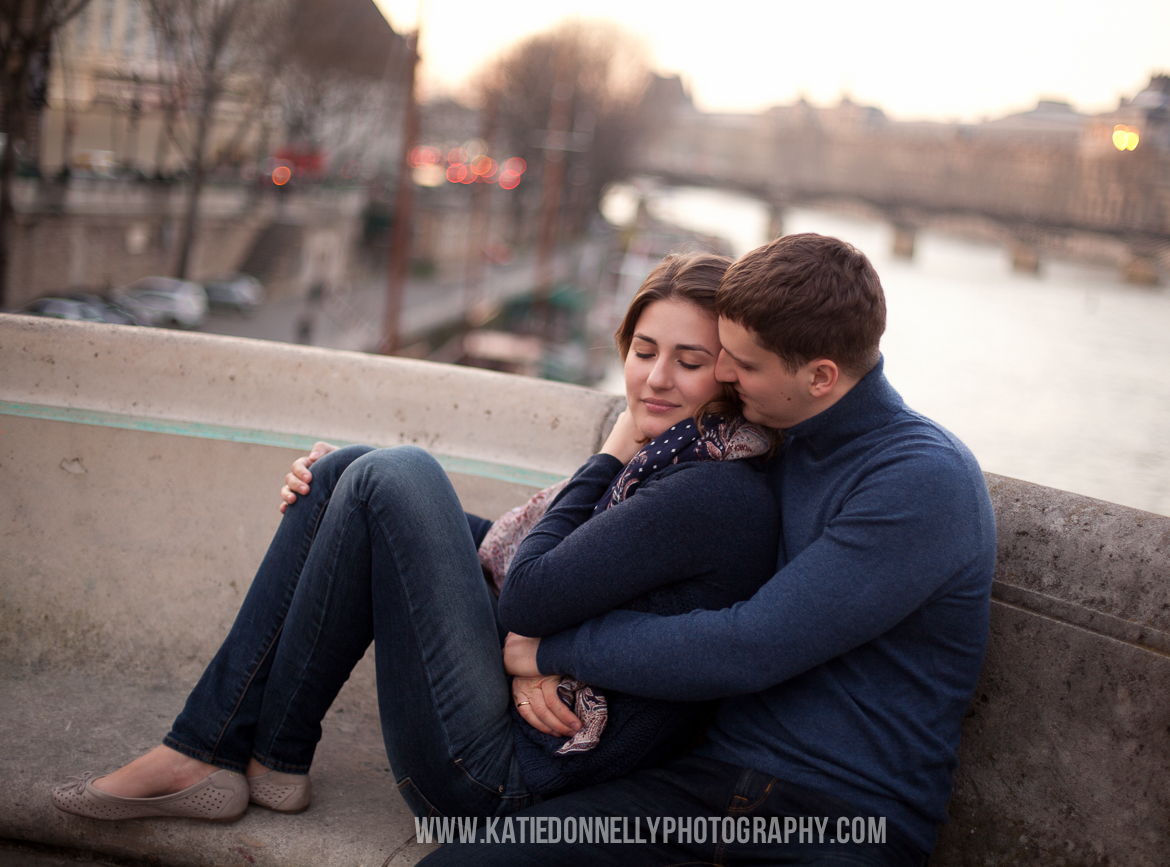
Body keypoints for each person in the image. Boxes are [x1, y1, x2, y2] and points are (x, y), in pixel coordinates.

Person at [51, 252, 780, 822]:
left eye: (687, 362)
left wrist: (609, 448)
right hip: (514, 735)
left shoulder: (707, 489)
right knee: (346, 472)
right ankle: (267, 762)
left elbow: (528, 588)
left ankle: (201, 751)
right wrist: (347, 496)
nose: (654, 379)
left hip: (500, 779)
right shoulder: (685, 461)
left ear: (731, 374)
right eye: (643, 349)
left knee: (397, 473)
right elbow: (552, 573)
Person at [423, 233, 997, 867]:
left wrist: (551, 648)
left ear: (821, 377)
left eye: (744, 364)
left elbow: (747, 646)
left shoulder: (920, 481)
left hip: (839, 819)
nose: (724, 373)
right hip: (704, 786)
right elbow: (600, 555)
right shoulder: (775, 441)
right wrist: (399, 504)